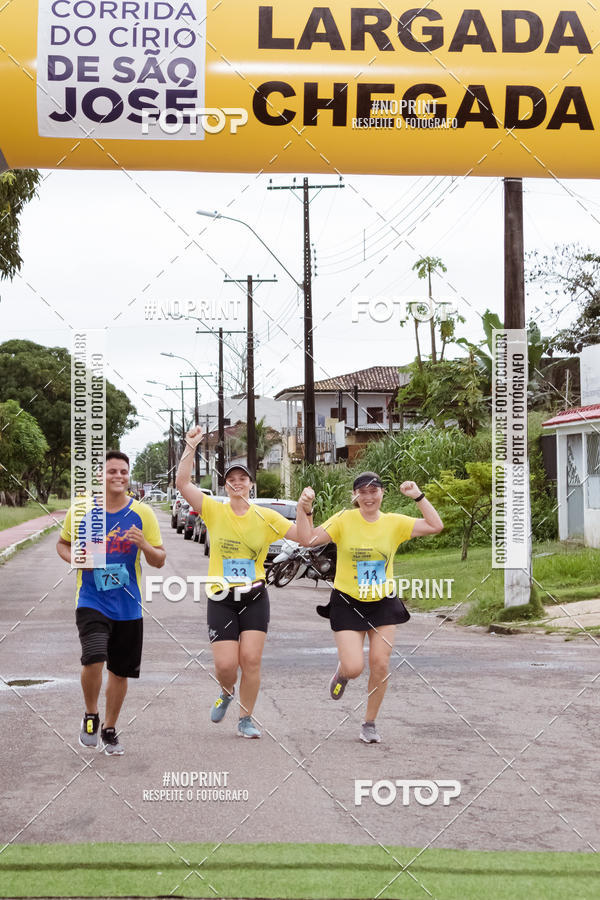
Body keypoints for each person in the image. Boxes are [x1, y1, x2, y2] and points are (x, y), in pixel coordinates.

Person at [176, 425, 309, 739]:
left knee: (250, 659)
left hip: (254, 597)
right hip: (221, 597)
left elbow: (303, 537)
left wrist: (305, 509)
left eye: (242, 479)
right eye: (231, 480)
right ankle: (226, 690)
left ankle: (245, 719)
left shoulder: (266, 517)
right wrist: (191, 446)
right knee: (225, 665)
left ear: (251, 484)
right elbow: (183, 483)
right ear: (225, 487)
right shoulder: (213, 510)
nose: (237, 483)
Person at [296, 471, 443, 744]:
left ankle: (369, 722)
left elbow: (435, 526)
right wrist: (304, 510)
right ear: (356, 496)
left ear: (382, 494)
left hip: (383, 602)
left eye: (373, 491)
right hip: (348, 601)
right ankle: (343, 673)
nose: (368, 496)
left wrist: (418, 496)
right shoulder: (344, 519)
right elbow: (308, 539)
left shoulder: (394, 523)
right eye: (362, 492)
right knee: (354, 668)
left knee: (380, 664)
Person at [56, 451, 166, 755]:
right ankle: (91, 715)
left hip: (128, 606)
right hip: (92, 599)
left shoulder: (142, 514)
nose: (118, 476)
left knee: (120, 671)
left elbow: (159, 560)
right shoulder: (82, 511)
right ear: (100, 477)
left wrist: (143, 544)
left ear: (129, 476)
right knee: (93, 657)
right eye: (111, 472)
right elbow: (62, 545)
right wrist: (78, 558)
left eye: (123, 472)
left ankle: (109, 728)